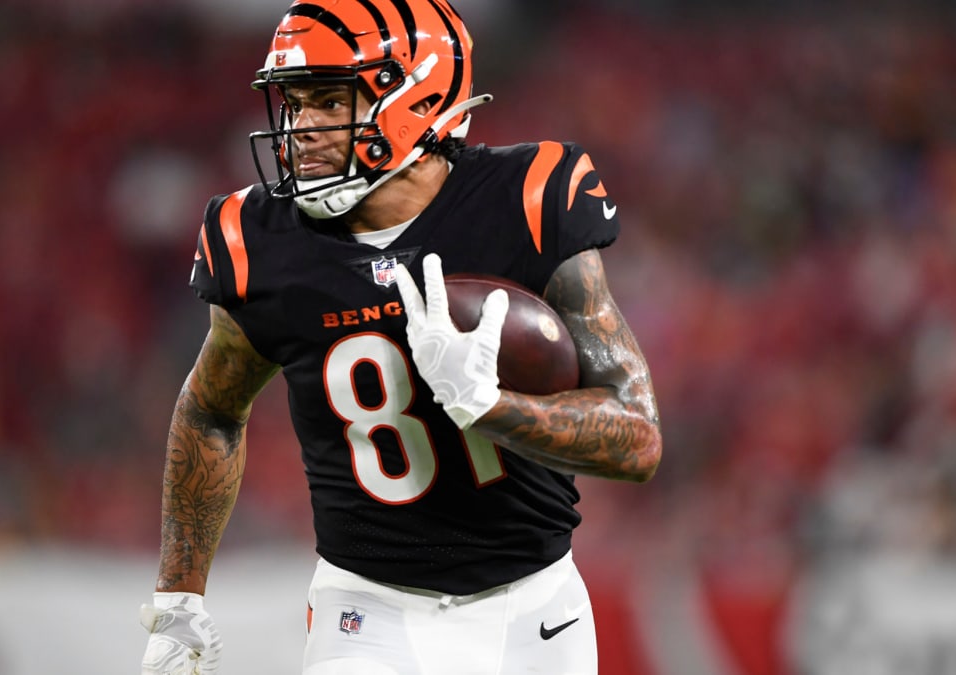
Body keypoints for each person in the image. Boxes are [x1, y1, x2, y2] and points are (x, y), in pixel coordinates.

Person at [139, 0, 662, 673]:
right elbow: (211, 408)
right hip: (366, 607)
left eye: (329, 101)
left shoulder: (530, 200)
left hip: (532, 605)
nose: (300, 128)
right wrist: (179, 595)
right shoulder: (258, 240)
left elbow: (637, 436)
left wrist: (491, 408)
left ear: (414, 97)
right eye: (293, 104)